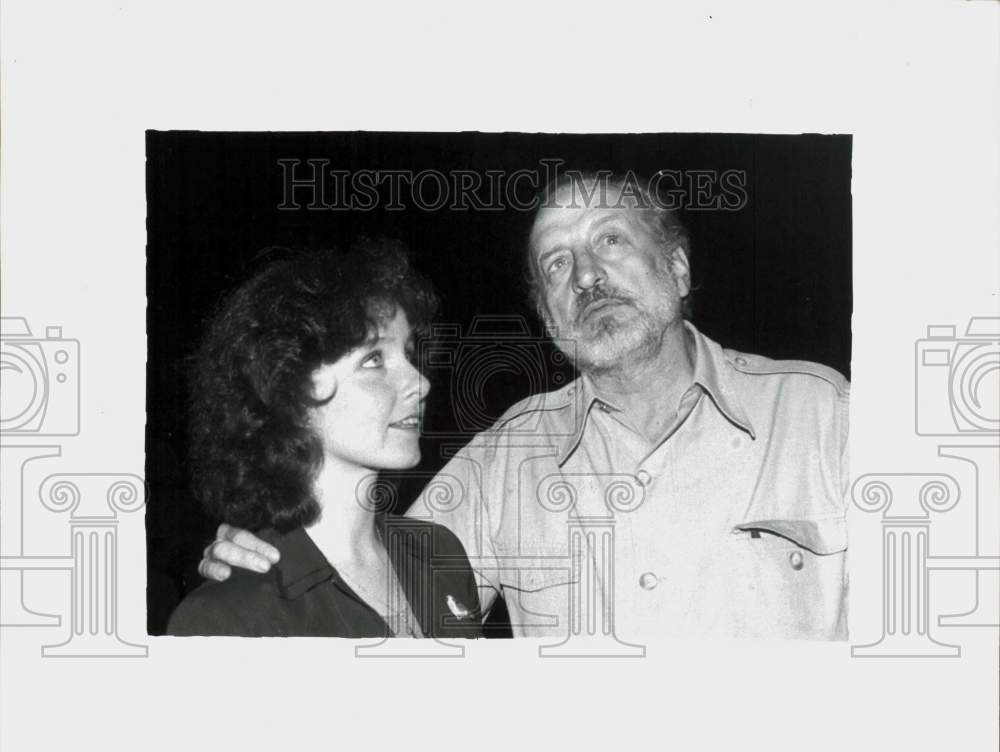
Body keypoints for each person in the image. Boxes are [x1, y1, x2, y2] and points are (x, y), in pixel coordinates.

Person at [198, 173, 849, 640]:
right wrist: (268, 550)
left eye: (611, 242)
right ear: (545, 313)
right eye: (558, 265)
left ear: (677, 269)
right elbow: (369, 576)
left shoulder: (824, 416)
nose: (587, 277)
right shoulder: (505, 462)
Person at [168, 240, 482, 638]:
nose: (419, 382)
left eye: (409, 354)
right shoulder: (228, 619)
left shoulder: (440, 554)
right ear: (289, 389)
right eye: (374, 360)